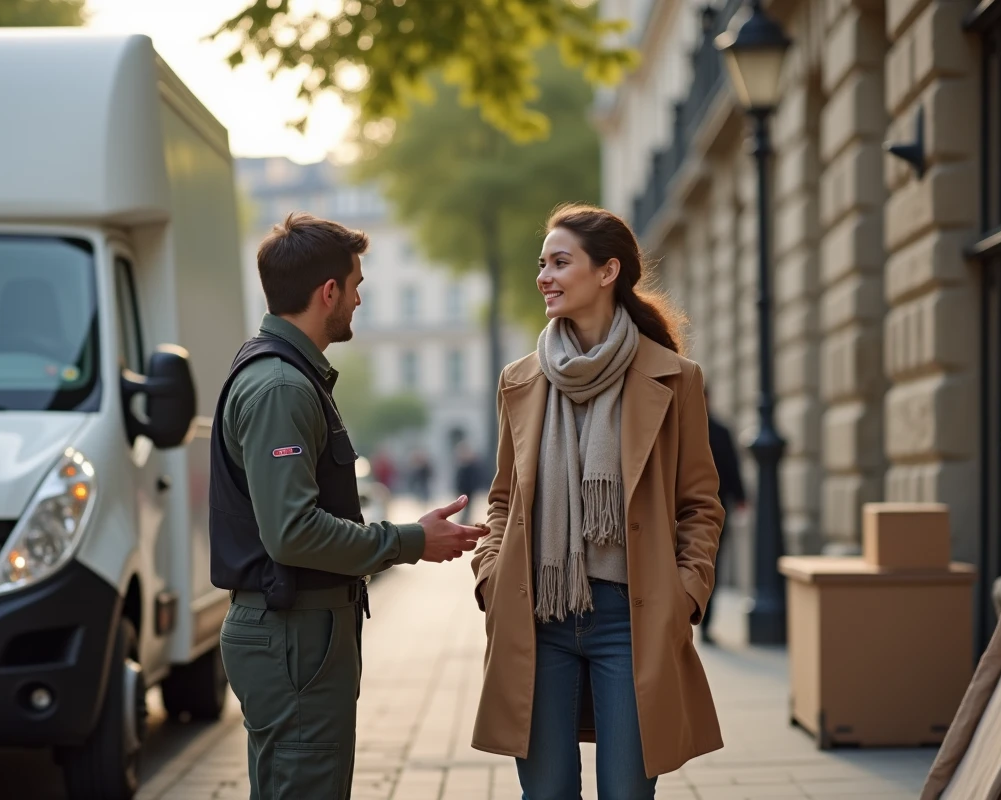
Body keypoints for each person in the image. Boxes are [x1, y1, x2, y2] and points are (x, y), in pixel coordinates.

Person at [209, 212, 488, 800]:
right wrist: (411, 541)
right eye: (356, 285)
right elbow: (292, 533)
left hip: (296, 637)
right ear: (328, 291)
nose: (360, 300)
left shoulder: (284, 374)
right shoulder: (283, 387)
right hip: (293, 638)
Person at [469, 203, 726, 799]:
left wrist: (685, 594)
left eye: (561, 263)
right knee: (548, 793)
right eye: (542, 264)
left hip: (631, 619)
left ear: (608, 272)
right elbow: (503, 498)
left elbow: (700, 503)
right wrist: (489, 578)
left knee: (627, 794)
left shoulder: (674, 378)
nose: (545, 277)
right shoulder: (521, 381)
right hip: (537, 618)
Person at [699, 384, 747, 644]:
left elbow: (731, 465)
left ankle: (705, 623)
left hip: (718, 508)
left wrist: (740, 497)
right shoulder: (681, 426)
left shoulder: (720, 431)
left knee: (711, 564)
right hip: (683, 509)